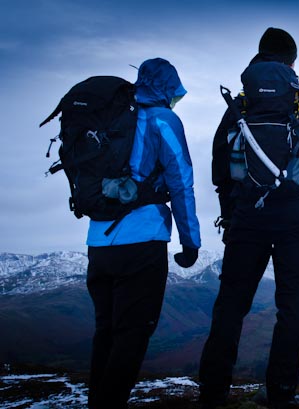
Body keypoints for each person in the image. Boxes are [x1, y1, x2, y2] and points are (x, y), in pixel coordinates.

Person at [199, 28, 299, 409]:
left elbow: (220, 167)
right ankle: (281, 395)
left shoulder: (240, 105)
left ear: (258, 58)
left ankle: (213, 395)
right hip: (297, 216)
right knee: (292, 306)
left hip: (249, 215)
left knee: (230, 306)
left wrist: (231, 214)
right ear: (292, 62)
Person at [85, 58, 201, 409]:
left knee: (106, 331)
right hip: (142, 241)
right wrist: (190, 240)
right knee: (132, 335)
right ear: (168, 88)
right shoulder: (162, 120)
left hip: (98, 241)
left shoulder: (112, 119)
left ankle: (97, 403)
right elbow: (181, 181)